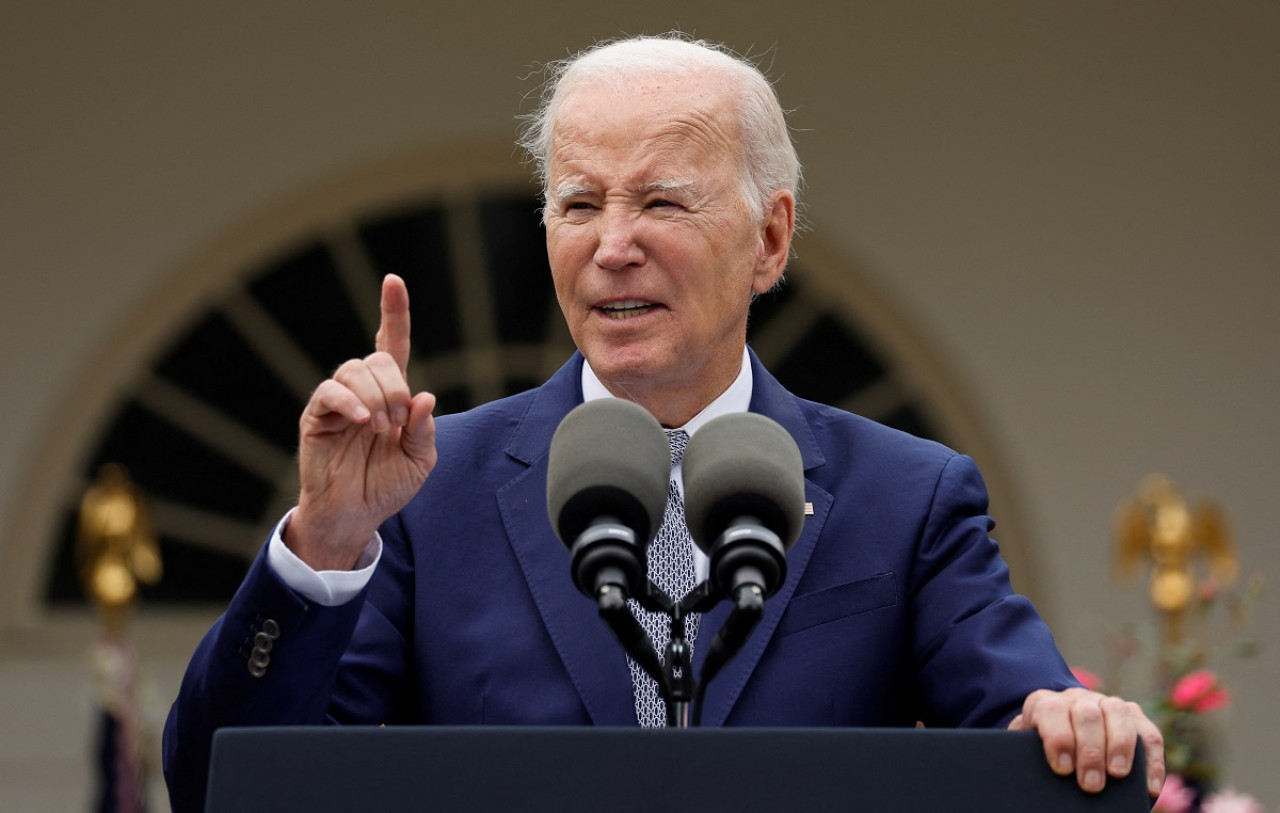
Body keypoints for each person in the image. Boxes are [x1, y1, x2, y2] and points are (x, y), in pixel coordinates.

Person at [162, 34, 1165, 810]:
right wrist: (326, 546)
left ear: (768, 239)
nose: (611, 247)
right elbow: (229, 782)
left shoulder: (904, 496)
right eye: (578, 204)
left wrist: (1071, 722)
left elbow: (1024, 725)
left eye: (659, 203)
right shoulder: (432, 491)